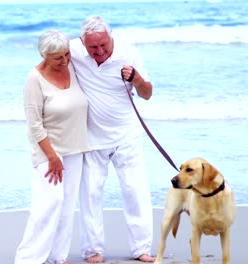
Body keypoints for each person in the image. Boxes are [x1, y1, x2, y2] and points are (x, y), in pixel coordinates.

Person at [69, 15, 155, 263]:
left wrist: (136, 78)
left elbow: (147, 94)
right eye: (93, 47)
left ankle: (141, 249)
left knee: (134, 191)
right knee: (90, 194)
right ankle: (93, 250)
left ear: (111, 38)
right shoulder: (74, 50)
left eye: (103, 45)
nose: (99, 51)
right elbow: (50, 58)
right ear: (83, 43)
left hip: (126, 135)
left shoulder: (128, 53)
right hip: (91, 137)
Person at [14, 29, 90, 264]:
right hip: (49, 152)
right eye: (58, 58)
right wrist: (53, 157)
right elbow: (35, 125)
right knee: (48, 204)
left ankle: (57, 256)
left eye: (67, 54)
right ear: (44, 55)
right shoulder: (34, 79)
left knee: (67, 205)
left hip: (76, 147)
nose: (65, 61)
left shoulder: (73, 68)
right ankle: (28, 259)